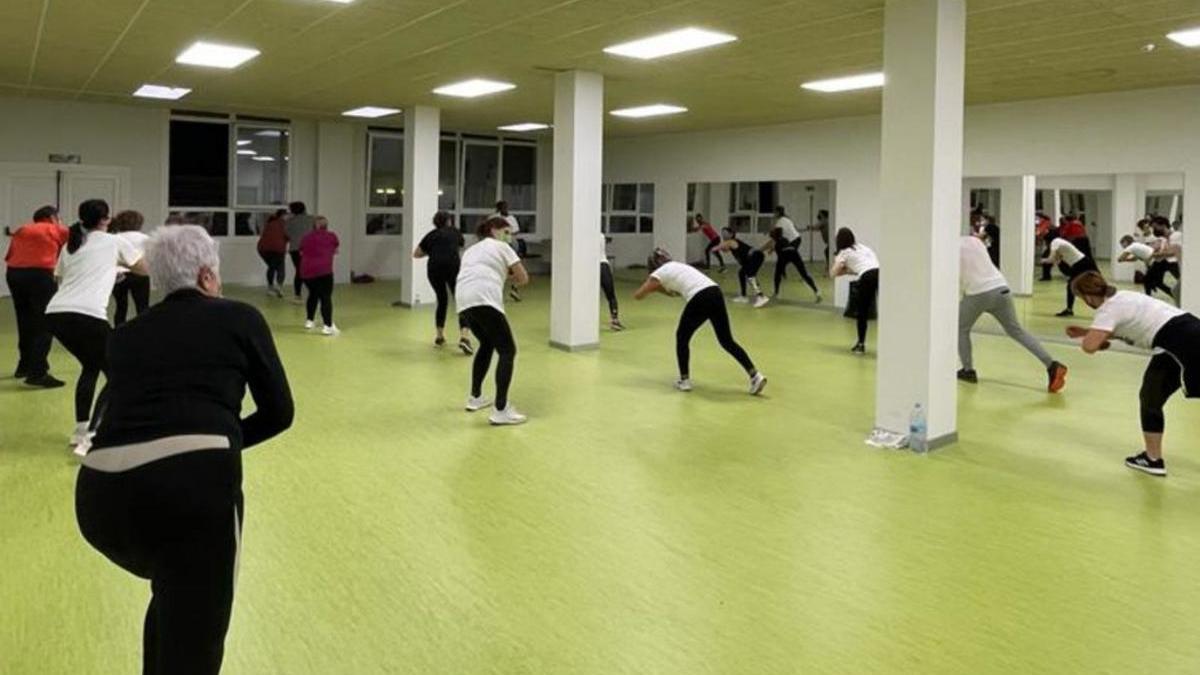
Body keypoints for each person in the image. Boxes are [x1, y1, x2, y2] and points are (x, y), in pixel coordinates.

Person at [75, 224, 293, 675]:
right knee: (197, 632)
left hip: (101, 499)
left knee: (173, 595)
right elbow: (279, 412)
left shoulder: (126, 335)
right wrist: (220, 444)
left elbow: (112, 408)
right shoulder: (239, 317)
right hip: (192, 494)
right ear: (207, 277)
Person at [1066, 271, 1199, 477]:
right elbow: (1128, 327)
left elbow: (1090, 347)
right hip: (1180, 339)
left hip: (1184, 344)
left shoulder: (1107, 311)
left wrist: (1089, 338)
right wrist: (1087, 331)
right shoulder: (1124, 297)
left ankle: (1153, 459)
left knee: (1150, 399)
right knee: (1150, 397)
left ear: (1088, 296)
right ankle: (1152, 459)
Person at [45, 199, 148, 449]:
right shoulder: (114, 241)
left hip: (56, 313)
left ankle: (81, 430)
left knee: (91, 366)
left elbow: (59, 277)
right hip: (88, 315)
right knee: (117, 373)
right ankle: (93, 435)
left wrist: (113, 267)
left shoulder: (70, 246)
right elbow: (143, 270)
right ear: (105, 219)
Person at [633, 248, 766, 395]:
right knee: (726, 340)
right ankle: (755, 375)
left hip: (699, 297)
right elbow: (674, 293)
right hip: (715, 292)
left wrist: (654, 288)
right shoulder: (678, 266)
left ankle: (684, 380)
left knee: (682, 337)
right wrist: (661, 289)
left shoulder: (659, 273)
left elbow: (639, 295)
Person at [957, 234, 1068, 391]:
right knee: (1016, 331)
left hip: (977, 292)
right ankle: (1052, 364)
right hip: (1001, 288)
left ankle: (967, 370)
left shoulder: (949, 249)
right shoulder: (974, 240)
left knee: (961, 328)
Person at [455, 216, 530, 425]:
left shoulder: (471, 250)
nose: (509, 237)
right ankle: (501, 409)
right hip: (485, 299)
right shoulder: (501, 247)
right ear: (494, 230)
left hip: (464, 300)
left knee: (487, 344)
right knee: (508, 351)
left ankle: (475, 397)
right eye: (506, 232)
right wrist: (510, 276)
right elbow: (523, 278)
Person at [4, 205, 68, 388]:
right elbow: (80, 241)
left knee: (25, 320)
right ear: (52, 217)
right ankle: (38, 372)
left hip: (14, 275)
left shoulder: (23, 229)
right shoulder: (55, 229)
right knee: (46, 322)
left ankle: (24, 366)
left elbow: (12, 254)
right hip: (40, 276)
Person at [414, 211, 474, 353]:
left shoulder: (431, 235)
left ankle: (439, 337)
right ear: (448, 221)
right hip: (452, 267)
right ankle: (464, 337)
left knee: (442, 301)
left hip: (434, 269)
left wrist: (434, 251)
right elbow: (461, 246)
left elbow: (416, 254)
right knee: (461, 301)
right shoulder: (455, 232)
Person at [830, 227, 879, 355]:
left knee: (862, 312)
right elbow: (870, 264)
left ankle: (860, 344)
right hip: (880, 273)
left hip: (867, 277)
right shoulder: (863, 247)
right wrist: (852, 269)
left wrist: (845, 270)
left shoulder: (844, 253)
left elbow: (833, 273)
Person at [763, 206, 821, 302]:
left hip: (789, 247)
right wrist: (772, 249)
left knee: (778, 271)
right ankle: (817, 292)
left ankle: (776, 292)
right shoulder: (786, 219)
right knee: (803, 273)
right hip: (793, 247)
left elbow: (774, 240)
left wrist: (762, 250)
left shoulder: (780, 223)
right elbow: (778, 239)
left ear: (777, 212)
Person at [298, 216, 339, 336]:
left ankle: (309, 321)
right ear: (326, 225)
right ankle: (328, 326)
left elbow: (301, 252)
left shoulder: (306, 237)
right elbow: (335, 250)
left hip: (307, 272)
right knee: (325, 297)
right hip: (324, 271)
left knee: (313, 294)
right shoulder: (331, 236)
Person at [110, 210, 151, 326]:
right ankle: (144, 331)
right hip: (140, 273)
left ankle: (119, 332)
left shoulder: (114, 238)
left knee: (121, 307)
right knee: (142, 307)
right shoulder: (145, 238)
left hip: (119, 274)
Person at [1041, 234, 1098, 317]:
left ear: (1047, 241)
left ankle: (1070, 309)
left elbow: (1050, 258)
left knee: (1078, 286)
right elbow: (1055, 260)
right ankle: (1069, 309)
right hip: (1081, 263)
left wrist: (1042, 260)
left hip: (1082, 264)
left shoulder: (1055, 242)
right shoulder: (1060, 244)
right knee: (1072, 286)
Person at [716, 227, 769, 308]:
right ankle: (743, 296)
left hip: (756, 256)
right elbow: (725, 249)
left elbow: (720, 247)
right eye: (722, 233)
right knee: (742, 273)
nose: (723, 235)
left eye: (725, 233)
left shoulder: (731, 241)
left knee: (750, 275)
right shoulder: (731, 244)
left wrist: (712, 249)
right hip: (753, 258)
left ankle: (761, 296)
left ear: (731, 234)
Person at [491, 201, 523, 302]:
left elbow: (516, 230)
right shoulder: (494, 218)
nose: (505, 209)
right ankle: (496, 292)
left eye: (506, 207)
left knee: (514, 268)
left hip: (510, 243)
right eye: (503, 207)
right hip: (498, 245)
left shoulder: (511, 218)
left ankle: (514, 290)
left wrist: (509, 232)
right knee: (499, 268)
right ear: (499, 208)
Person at [284, 201, 315, 303]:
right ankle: (314, 291)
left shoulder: (289, 221)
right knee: (310, 270)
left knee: (299, 271)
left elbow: (287, 234)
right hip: (310, 248)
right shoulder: (312, 219)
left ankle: (298, 295)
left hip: (295, 249)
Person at [257, 208, 288, 298]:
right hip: (277, 248)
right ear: (283, 216)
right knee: (280, 267)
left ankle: (270, 288)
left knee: (272, 267)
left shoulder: (270, 222)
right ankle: (279, 287)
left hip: (263, 249)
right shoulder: (284, 224)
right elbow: (288, 235)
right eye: (286, 215)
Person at [599, 233, 624, 330]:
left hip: (599, 265)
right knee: (611, 296)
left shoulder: (598, 235)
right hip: (602, 266)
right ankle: (615, 320)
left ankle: (615, 320)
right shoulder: (601, 235)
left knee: (611, 295)